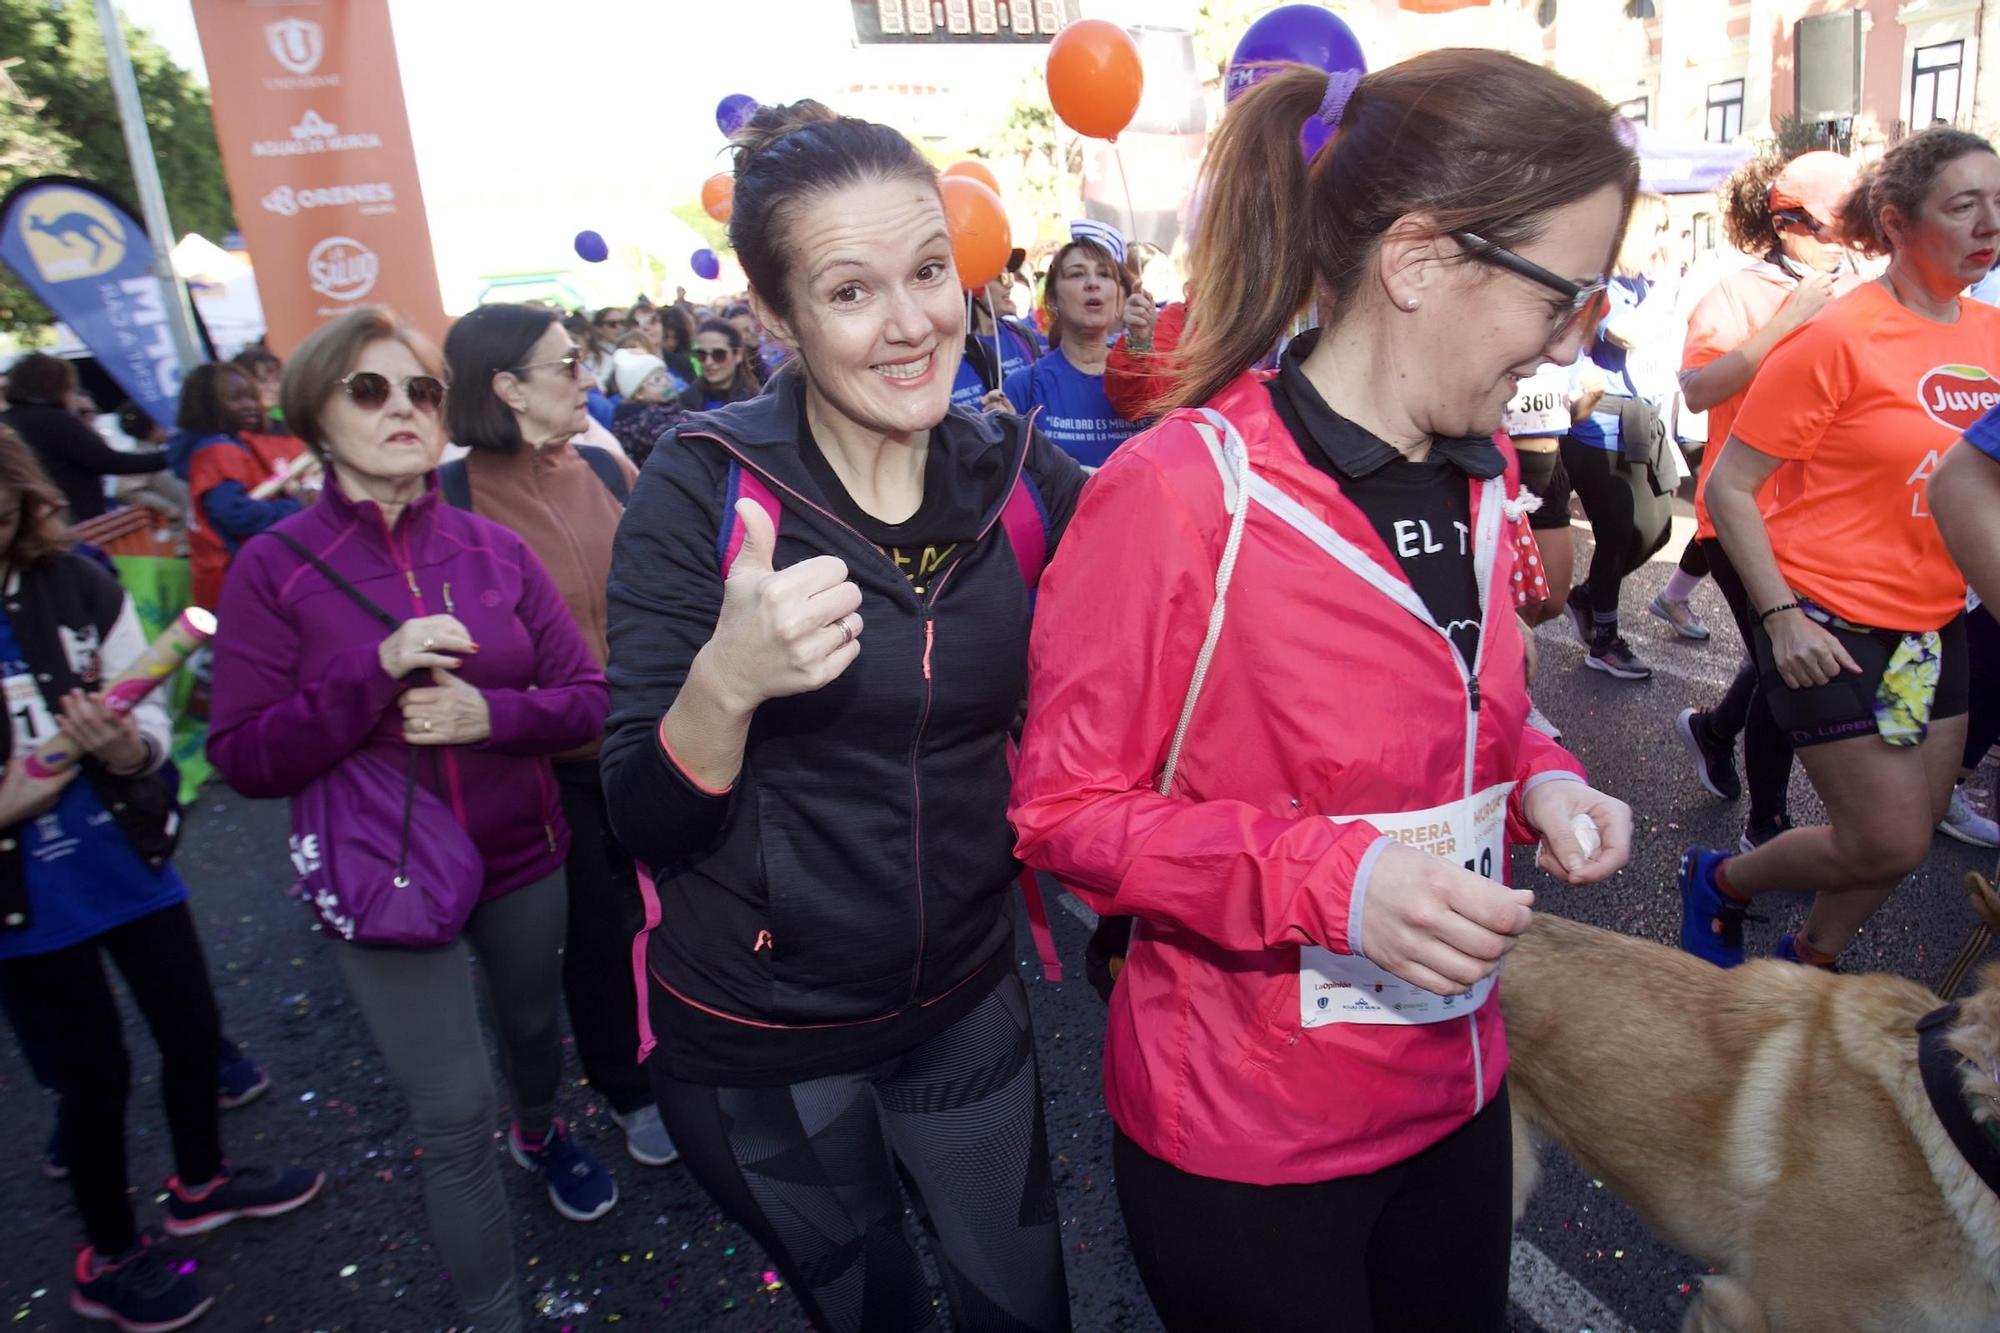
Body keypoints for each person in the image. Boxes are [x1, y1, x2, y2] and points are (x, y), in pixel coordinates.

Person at [1009, 53, 1635, 1333]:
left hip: (1453, 1080)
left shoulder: (1479, 471)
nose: (1576, 342)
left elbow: (1478, 704)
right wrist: (1334, 884)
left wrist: (1545, 776)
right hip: (1250, 1134)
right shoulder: (1184, 493)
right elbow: (1061, 812)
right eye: (1563, 298)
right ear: (1416, 261)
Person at [601, 98, 1085, 1333]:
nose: (914, 321)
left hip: (966, 998)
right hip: (764, 1039)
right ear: (775, 316)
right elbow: (640, 818)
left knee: (1022, 1311)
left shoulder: (1014, 470)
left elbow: (1194, 574)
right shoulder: (701, 488)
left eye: (929, 271)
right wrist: (729, 681)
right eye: (852, 291)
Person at [207, 307, 618, 1333]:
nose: (403, 408)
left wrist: (493, 715)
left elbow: (586, 697)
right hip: (378, 870)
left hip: (522, 852)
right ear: (314, 410)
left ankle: (542, 1128)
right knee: (450, 1114)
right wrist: (370, 674)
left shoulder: (490, 548)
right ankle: (495, 1313)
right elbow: (244, 755)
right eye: (369, 389)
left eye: (421, 391)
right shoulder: (276, 568)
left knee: (533, 1036)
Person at [0, 426, 323, 1332]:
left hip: (124, 858)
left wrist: (126, 745)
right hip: (24, 899)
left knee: (193, 1028)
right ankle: (107, 1253)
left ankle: (203, 1183)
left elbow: (147, 736)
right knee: (90, 1076)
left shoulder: (77, 583)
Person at [1683, 127, 2000, 971]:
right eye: (1963, 205)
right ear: (1895, 224)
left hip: (1939, 620)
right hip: (1830, 616)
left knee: (1907, 835)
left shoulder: (1995, 333)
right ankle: (1724, 879)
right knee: (1889, 838)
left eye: (1999, 203)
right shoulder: (1836, 334)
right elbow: (1728, 488)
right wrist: (1781, 619)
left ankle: (1806, 959)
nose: (1988, 224)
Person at [437, 303, 676, 1172]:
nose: (587, 375)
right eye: (567, 363)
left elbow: (669, 581)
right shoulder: (450, 497)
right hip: (538, 762)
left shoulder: (607, 464)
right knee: (589, 938)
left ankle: (686, 1053)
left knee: (673, 908)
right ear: (506, 388)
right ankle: (628, 1088)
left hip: (652, 737)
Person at [1671, 151, 1861, 849]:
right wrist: (1790, 318)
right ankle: (1767, 825)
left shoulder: (1863, 294)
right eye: (1836, 229)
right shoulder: (1734, 293)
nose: (1849, 246)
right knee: (1788, 666)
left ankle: (1713, 732)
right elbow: (1697, 391)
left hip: (1825, 520)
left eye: (1859, 230)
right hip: (1741, 514)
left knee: (1780, 653)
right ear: (1788, 224)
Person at [1558, 191, 1677, 679]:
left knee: (1658, 529)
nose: (1666, 242)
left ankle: (1586, 599)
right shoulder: (1601, 285)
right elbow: (1624, 334)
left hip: (1640, 423)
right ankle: (1603, 639)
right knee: (1617, 534)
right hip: (1596, 429)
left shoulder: (1641, 283)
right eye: (1659, 230)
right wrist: (1672, 285)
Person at [993, 222, 1155, 468]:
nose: (1093, 284)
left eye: (1104, 274)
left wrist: (1142, 343)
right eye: (1077, 274)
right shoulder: (1023, 388)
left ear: (1121, 297)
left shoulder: (1149, 378)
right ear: (1053, 299)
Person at [170, 363, 311, 612]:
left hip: (232, 576)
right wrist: (294, 506)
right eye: (236, 398)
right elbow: (236, 514)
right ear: (207, 404)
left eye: (251, 396)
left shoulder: (227, 446)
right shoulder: (218, 452)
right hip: (238, 578)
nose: (250, 405)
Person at [0, 353, 169, 523]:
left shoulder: (7, 421)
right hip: (74, 517)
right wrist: (170, 457)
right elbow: (106, 461)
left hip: (31, 521)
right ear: (58, 387)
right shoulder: (56, 421)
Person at [950, 270, 1044, 409]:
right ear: (977, 287)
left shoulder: (1021, 334)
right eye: (1002, 278)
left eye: (1010, 277)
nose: (1010, 285)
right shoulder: (953, 349)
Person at [607, 349, 686, 469]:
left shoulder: (675, 406)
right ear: (639, 393)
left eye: (665, 376)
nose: (665, 383)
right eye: (657, 380)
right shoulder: (641, 420)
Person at [678, 317, 761, 411]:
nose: (708, 362)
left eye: (718, 355)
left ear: (737, 355)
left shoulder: (755, 403)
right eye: (702, 355)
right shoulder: (686, 400)